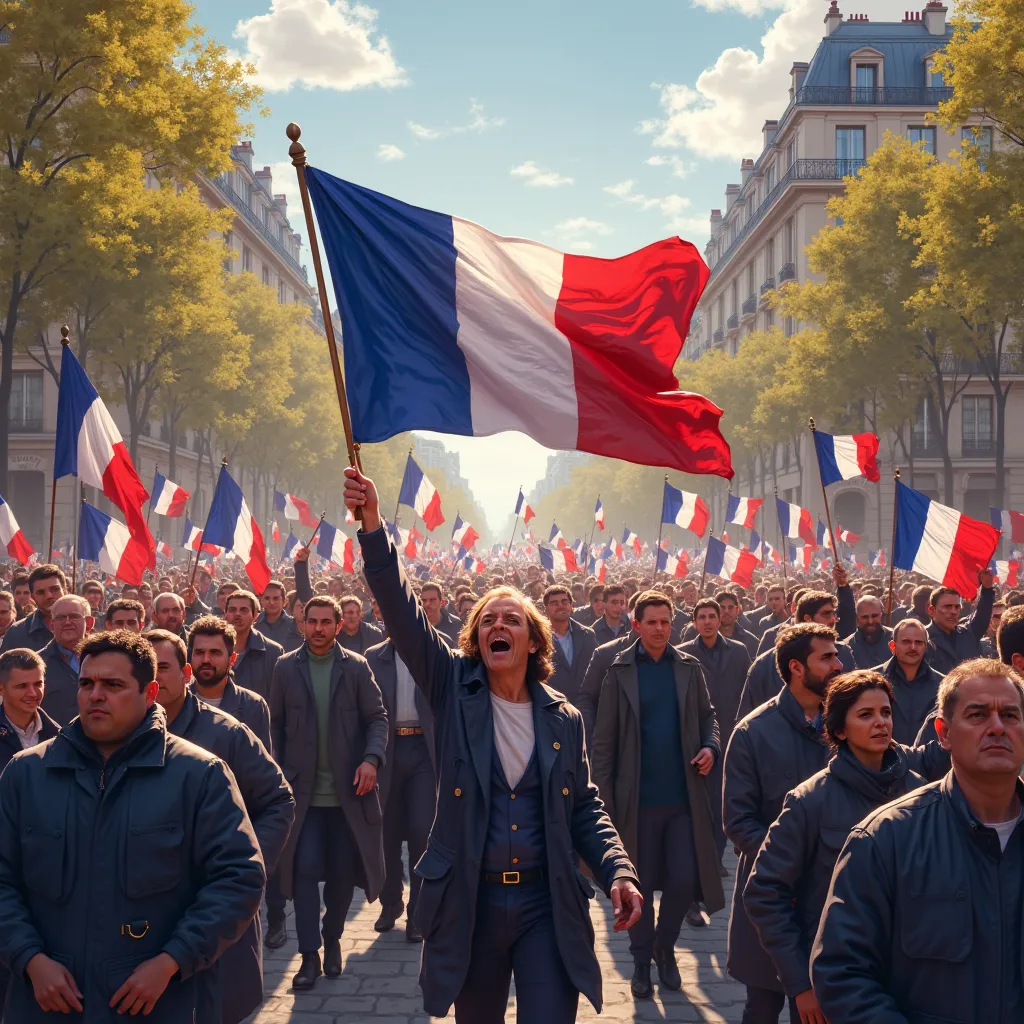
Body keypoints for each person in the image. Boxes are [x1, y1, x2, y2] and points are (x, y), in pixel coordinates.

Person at [346, 465, 641, 1024]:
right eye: (486, 621)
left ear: (533, 641)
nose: (496, 625)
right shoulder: (454, 688)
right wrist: (372, 526)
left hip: (545, 903)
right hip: (469, 903)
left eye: (511, 619)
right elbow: (403, 612)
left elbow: (585, 807)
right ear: (477, 639)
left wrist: (618, 870)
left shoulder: (564, 718)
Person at [0, 630, 265, 1023]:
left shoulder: (199, 774)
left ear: (150, 692)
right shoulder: (27, 774)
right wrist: (30, 959)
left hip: (159, 1003)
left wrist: (173, 960)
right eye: (87, 683)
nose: (96, 695)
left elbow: (238, 878)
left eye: (113, 685)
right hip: (47, 1003)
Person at [811, 659, 1024, 1022]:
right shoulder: (887, 837)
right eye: (977, 715)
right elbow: (842, 972)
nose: (997, 727)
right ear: (943, 733)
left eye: (1010, 714)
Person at [744, 670, 924, 1024]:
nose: (880, 723)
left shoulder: (920, 795)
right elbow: (764, 892)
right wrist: (800, 985)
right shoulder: (811, 800)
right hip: (830, 987)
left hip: (908, 981)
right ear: (840, 730)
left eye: (885, 713)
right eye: (865, 715)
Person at [150, 627, 293, 1024]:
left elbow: (277, 799)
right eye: (147, 668)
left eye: (164, 667)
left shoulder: (225, 733)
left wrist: (248, 867)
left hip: (212, 901)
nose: (155, 678)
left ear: (186, 672)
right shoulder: (115, 733)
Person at [591, 591, 722, 999]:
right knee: (640, 887)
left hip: (683, 799)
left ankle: (666, 946)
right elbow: (604, 742)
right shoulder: (619, 670)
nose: (660, 628)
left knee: (685, 879)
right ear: (636, 625)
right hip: (635, 803)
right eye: (652, 622)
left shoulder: (688, 667)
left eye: (666, 621)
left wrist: (710, 747)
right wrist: (603, 800)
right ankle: (641, 959)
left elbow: (709, 717)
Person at [724, 623, 843, 1024]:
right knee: (763, 1004)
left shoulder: (845, 725)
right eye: (826, 657)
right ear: (796, 667)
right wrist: (792, 862)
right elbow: (739, 822)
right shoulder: (753, 732)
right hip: (773, 892)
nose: (837, 664)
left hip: (835, 893)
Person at [269, 595, 389, 990]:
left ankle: (332, 938)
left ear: (339, 625)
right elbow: (276, 728)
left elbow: (377, 718)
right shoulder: (286, 668)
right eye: (312, 621)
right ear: (302, 624)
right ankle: (308, 955)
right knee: (303, 872)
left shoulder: (356, 668)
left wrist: (371, 759)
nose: (318, 629)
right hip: (302, 798)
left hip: (346, 797)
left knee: (340, 875)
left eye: (326, 622)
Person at [0, 649, 61, 1015]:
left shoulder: (62, 734)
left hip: (40, 860)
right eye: (21, 686)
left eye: (37, 683)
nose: (32, 692)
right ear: (2, 688)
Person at [365, 633, 437, 941]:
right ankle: (390, 902)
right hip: (387, 749)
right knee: (387, 832)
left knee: (422, 830)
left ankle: (418, 912)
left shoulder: (436, 652)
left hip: (423, 749)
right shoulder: (373, 656)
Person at [679, 598, 752, 863]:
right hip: (699, 736)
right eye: (702, 617)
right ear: (694, 622)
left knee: (725, 797)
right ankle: (703, 854)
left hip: (732, 732)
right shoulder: (683, 654)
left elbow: (747, 691)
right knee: (700, 799)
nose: (707, 622)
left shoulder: (739, 650)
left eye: (712, 616)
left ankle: (716, 857)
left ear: (720, 619)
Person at [737, 589, 857, 723]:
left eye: (833, 614)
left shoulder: (844, 653)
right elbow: (748, 721)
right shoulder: (763, 665)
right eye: (826, 614)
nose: (837, 665)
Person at [876, 617, 945, 744]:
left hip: (928, 761)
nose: (913, 647)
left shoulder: (943, 685)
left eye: (919, 642)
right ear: (893, 646)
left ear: (925, 646)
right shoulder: (872, 681)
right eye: (906, 642)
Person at [543, 584, 599, 737]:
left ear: (571, 606)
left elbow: (597, 672)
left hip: (584, 709)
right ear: (546, 608)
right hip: (551, 708)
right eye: (555, 603)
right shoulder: (537, 638)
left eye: (565, 602)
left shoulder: (587, 635)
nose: (561, 606)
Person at [37, 594, 94, 726]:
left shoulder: (105, 659)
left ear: (89, 623)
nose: (67, 622)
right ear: (52, 625)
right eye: (61, 618)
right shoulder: (36, 664)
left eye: (74, 616)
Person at [926, 572, 995, 674]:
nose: (953, 612)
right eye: (947, 607)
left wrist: (987, 589)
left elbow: (982, 614)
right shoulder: (921, 638)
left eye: (957, 607)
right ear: (932, 610)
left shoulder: (969, 633)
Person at [223, 590, 284, 701]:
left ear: (255, 616)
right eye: (232, 610)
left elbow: (279, 697)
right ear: (225, 614)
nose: (237, 614)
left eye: (244, 610)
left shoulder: (273, 652)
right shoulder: (211, 648)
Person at [0, 563, 66, 653]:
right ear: (33, 597)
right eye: (41, 592)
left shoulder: (81, 626)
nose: (48, 596)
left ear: (65, 590)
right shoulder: (16, 633)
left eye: (54, 589)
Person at [843, 595, 893, 668]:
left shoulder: (895, 638)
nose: (870, 621)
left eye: (874, 616)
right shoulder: (847, 647)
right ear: (857, 618)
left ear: (881, 615)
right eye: (865, 617)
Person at [256, 578, 304, 652]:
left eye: (276, 598)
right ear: (261, 601)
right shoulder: (254, 624)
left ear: (285, 601)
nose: (271, 602)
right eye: (267, 598)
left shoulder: (296, 625)